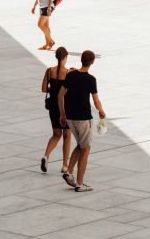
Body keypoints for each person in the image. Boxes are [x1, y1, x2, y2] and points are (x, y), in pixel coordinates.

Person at [59, 50, 106, 193]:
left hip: (70, 117)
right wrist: (101, 110)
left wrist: (62, 114)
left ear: (81, 60)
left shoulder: (71, 75)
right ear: (92, 62)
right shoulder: (91, 79)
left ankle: (69, 172)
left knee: (80, 145)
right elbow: (95, 99)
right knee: (86, 149)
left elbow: (60, 95)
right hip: (83, 119)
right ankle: (79, 183)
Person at [40, 47, 72, 178]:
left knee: (56, 134)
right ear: (65, 57)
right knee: (67, 135)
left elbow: (43, 89)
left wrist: (53, 89)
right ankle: (65, 165)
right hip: (66, 107)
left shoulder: (49, 71)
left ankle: (46, 156)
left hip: (53, 106)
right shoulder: (68, 73)